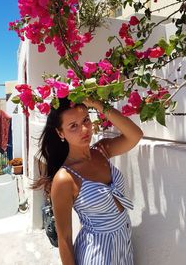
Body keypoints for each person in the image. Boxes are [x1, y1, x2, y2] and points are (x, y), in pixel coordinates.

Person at [33, 97, 143, 265]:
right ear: (60, 133)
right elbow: (64, 239)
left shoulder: (102, 150)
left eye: (85, 120)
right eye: (73, 126)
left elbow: (135, 135)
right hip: (97, 256)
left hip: (124, 247)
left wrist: (99, 104)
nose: (84, 129)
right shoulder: (65, 179)